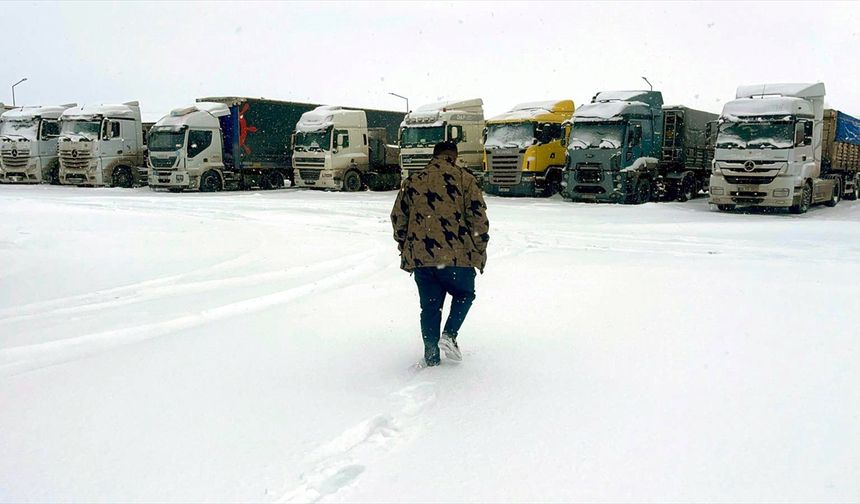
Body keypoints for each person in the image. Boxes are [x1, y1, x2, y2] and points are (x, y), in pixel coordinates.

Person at [391, 141, 490, 367]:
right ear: (454, 157)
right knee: (465, 294)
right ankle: (450, 334)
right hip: (458, 258)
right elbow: (478, 220)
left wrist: (406, 246)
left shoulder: (413, 181)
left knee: (430, 306)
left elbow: (399, 219)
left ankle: (431, 354)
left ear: (433, 156)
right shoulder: (465, 179)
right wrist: (479, 249)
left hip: (422, 259)